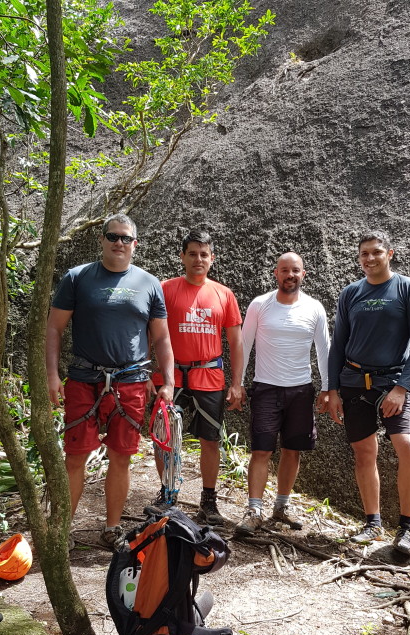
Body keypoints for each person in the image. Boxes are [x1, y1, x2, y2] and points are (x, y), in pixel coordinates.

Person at [46, 213, 175, 550]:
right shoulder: (77, 278)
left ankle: (113, 527)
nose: (119, 242)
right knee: (75, 457)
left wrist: (168, 381)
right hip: (83, 379)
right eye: (113, 236)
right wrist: (51, 376)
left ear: (135, 244)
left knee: (121, 456)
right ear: (101, 239)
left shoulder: (150, 284)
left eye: (126, 238)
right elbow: (54, 328)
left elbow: (162, 337)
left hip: (130, 381)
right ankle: (62, 530)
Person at [327, 231, 410, 557]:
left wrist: (402, 388)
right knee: (363, 453)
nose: (369, 259)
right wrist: (332, 389)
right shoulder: (351, 293)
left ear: (390, 254)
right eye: (364, 254)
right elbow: (337, 345)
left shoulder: (409, 289)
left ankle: (407, 528)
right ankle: (372, 523)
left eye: (376, 252)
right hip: (354, 382)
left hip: (392, 383)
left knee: (409, 448)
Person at [151, 229, 244, 526]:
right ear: (182, 257)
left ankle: (208, 501)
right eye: (192, 254)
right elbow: (150, 332)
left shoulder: (224, 294)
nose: (198, 259)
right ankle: (167, 494)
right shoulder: (165, 289)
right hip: (171, 376)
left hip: (209, 374)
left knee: (210, 440)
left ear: (212, 258)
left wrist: (237, 383)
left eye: (204, 254)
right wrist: (147, 371)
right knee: (164, 437)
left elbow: (236, 341)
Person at [235, 252, 330, 536]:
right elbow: (244, 344)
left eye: (295, 270)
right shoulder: (259, 305)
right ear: (276, 273)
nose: (290, 275)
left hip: (301, 390)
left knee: (292, 449)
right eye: (285, 270)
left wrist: (328, 388)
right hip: (266, 388)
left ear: (304, 274)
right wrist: (238, 383)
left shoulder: (314, 308)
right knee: (261, 450)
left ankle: (281, 506)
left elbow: (324, 349)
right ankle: (254, 511)